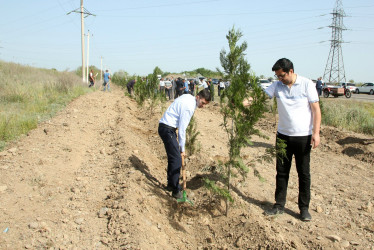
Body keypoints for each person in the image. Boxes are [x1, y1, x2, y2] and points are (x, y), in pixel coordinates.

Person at [265, 58, 321, 222]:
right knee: (281, 172)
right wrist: (241, 103)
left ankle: (304, 209)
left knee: (303, 173)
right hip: (283, 136)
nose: (279, 79)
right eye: (277, 76)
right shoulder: (277, 86)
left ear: (290, 71)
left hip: (303, 137)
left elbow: (316, 110)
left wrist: (316, 133)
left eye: (281, 76)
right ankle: (279, 205)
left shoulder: (306, 84)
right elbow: (259, 98)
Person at [158, 89, 211, 199]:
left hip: (166, 127)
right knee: (177, 159)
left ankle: (170, 185)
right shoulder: (189, 107)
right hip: (167, 129)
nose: (203, 106)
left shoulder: (188, 97)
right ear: (198, 97)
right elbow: (182, 129)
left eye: (205, 104)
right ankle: (176, 190)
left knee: (173, 158)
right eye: (203, 103)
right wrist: (182, 149)